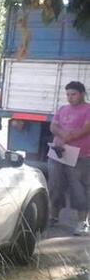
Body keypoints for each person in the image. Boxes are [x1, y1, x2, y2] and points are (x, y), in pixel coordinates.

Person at [48, 81, 90, 236]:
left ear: (82, 94)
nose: (70, 97)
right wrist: (61, 135)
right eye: (68, 94)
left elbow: (86, 128)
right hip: (59, 153)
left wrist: (69, 136)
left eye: (73, 94)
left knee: (80, 188)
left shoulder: (88, 109)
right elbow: (53, 126)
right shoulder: (63, 109)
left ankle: (82, 222)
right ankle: (54, 216)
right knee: (55, 185)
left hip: (81, 155)